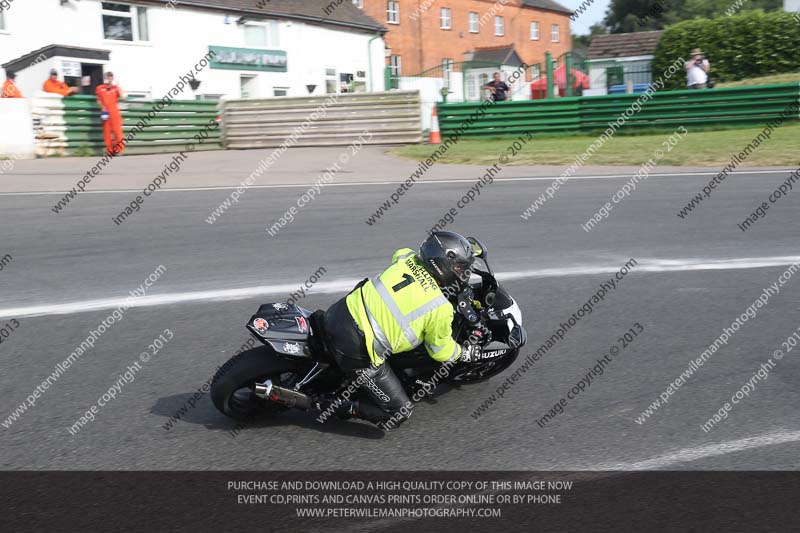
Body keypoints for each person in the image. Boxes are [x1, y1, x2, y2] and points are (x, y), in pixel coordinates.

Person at [320, 231, 484, 429]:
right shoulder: (441, 308)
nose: (463, 273)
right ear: (443, 264)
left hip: (339, 311)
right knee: (399, 413)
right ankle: (331, 405)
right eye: (459, 267)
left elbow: (401, 252)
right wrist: (464, 353)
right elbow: (440, 351)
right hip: (356, 346)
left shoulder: (406, 257)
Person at [96, 71, 126, 156]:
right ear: (105, 78)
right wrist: (102, 106)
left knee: (118, 132)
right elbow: (98, 99)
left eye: (110, 77)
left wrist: (118, 88)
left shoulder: (115, 88)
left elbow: (123, 97)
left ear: (112, 78)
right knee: (107, 132)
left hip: (114, 113)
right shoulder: (100, 88)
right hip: (105, 112)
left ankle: (119, 150)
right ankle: (109, 151)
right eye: (107, 76)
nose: (109, 78)